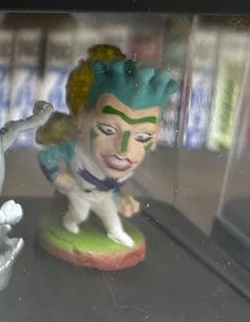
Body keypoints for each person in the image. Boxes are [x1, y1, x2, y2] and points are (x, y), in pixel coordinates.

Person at [38, 57, 178, 247]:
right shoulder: (76, 151)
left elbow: (109, 187)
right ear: (83, 121)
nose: (123, 149)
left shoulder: (125, 169)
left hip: (102, 197)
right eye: (108, 130)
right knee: (79, 215)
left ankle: (116, 234)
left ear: (156, 137)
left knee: (113, 220)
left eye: (142, 137)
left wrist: (121, 200)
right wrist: (56, 177)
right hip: (79, 192)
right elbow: (46, 156)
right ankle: (70, 222)